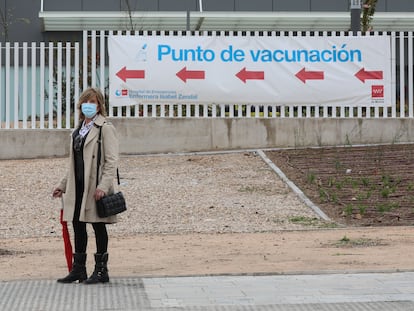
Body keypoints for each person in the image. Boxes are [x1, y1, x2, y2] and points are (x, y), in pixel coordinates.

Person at [52, 87, 119, 284]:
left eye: (94, 102)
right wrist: (62, 185)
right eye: (86, 101)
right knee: (78, 225)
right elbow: (74, 163)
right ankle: (78, 269)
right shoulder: (78, 130)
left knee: (98, 226)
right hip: (77, 186)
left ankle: (101, 271)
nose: (89, 105)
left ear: (99, 105)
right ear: (80, 104)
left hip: (95, 186)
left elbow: (111, 160)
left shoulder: (105, 128)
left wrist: (103, 186)